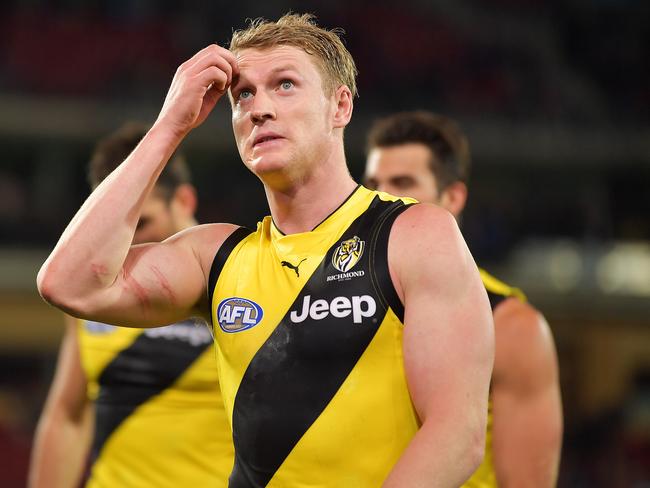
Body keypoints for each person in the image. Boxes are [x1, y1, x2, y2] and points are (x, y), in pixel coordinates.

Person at [37, 14, 494, 487]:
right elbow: (68, 283)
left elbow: (456, 435)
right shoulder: (217, 255)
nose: (259, 109)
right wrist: (170, 126)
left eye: (285, 85)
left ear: (339, 107)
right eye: (243, 94)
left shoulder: (413, 234)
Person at [365, 110, 563, 487]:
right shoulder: (328, 298)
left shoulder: (513, 328)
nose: (382, 199)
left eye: (402, 183)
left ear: (453, 196)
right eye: (373, 184)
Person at [29, 123, 233, 488]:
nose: (127, 246)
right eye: (119, 229)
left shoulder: (235, 280)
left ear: (184, 201)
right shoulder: (92, 297)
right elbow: (68, 415)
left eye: (143, 223)